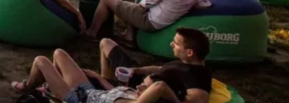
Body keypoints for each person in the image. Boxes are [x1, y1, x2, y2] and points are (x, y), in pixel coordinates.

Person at [12, 47, 189, 103]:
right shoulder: (133, 94)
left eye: (145, 87)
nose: (140, 85)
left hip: (77, 99)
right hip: (88, 90)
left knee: (41, 61)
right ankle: (50, 89)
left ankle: (28, 86)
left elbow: (160, 86)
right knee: (59, 53)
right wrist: (97, 77)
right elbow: (111, 91)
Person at [98, 28, 213, 103]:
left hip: (141, 93)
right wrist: (135, 70)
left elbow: (196, 100)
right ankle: (106, 80)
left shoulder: (199, 75)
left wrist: (149, 92)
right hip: (137, 79)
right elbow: (159, 68)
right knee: (105, 43)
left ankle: (104, 86)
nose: (171, 44)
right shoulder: (184, 62)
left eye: (176, 43)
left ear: (190, 52)